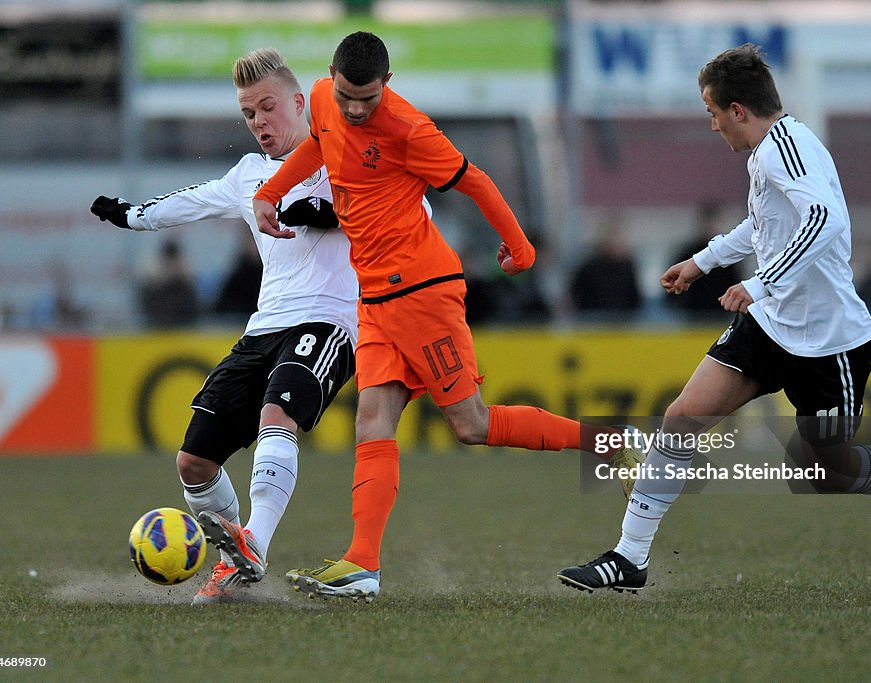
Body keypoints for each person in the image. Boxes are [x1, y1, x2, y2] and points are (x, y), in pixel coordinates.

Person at [558, 44, 871, 594]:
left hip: (830, 341)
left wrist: (760, 282)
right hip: (773, 325)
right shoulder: (766, 154)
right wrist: (703, 262)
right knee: (683, 417)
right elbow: (764, 225)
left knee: (831, 471)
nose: (711, 126)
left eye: (712, 112)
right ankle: (629, 557)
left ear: (738, 110)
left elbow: (822, 220)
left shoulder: (789, 146)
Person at [253, 31, 638, 602]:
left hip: (422, 290)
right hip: (376, 297)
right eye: (346, 95)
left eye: (369, 97)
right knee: (373, 420)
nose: (357, 109)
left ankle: (605, 440)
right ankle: (362, 564)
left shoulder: (409, 129)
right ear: (331, 77)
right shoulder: (323, 102)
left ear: (388, 85)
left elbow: (475, 181)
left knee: (471, 426)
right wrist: (271, 191)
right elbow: (317, 142)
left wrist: (519, 245)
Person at [91, 48, 359, 604]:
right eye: (248, 113)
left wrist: (335, 214)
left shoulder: (345, 158)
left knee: (276, 413)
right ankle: (234, 558)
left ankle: (254, 541)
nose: (259, 122)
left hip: (330, 320)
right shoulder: (248, 177)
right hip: (264, 328)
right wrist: (132, 215)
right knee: (194, 461)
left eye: (267, 108)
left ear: (297, 102)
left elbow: (413, 213)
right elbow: (191, 202)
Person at [664, 204, 742, 320]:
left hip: (720, 316)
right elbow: (672, 288)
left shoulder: (729, 257)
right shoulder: (688, 254)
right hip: (691, 318)